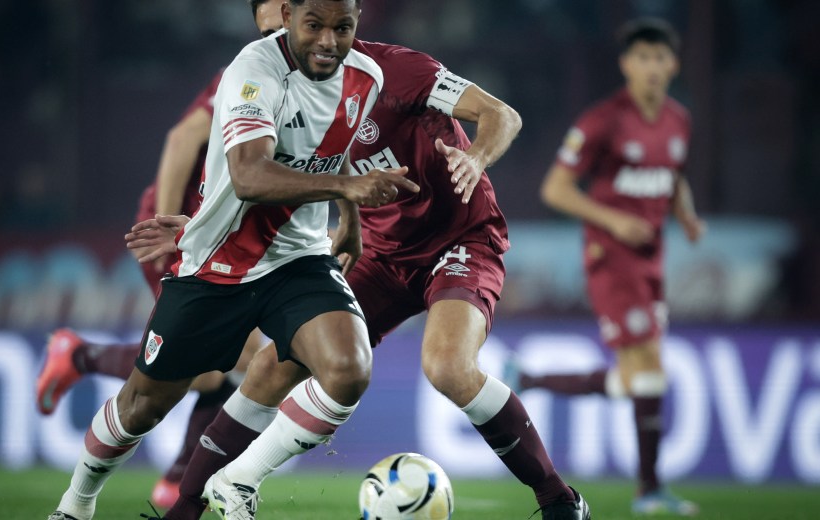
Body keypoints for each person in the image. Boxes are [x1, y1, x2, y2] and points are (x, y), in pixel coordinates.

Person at [127, 2, 590, 519]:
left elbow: (502, 114)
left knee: (448, 367)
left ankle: (559, 500)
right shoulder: (282, 93)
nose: (292, 46)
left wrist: (475, 157)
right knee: (273, 364)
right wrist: (346, 223)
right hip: (383, 253)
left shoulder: (400, 71)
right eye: (272, 37)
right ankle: (195, 503)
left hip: (459, 239)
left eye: (311, 30)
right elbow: (306, 172)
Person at [45, 1, 421, 518]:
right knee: (142, 406)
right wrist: (349, 188)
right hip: (218, 261)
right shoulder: (251, 70)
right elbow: (249, 176)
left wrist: (349, 219)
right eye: (315, 26)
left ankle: (238, 478)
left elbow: (339, 146)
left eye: (344, 27)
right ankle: (76, 503)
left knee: (349, 368)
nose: (330, 41)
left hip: (299, 257)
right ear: (289, 16)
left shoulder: (367, 76)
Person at [35, 3, 286, 509]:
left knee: (224, 364)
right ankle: (84, 362)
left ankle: (176, 477)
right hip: (183, 231)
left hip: (227, 236)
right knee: (226, 360)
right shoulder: (251, 71)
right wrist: (169, 226)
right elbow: (182, 138)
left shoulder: (324, 82)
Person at [506, 17, 704, 516]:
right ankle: (650, 491)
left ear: (673, 64)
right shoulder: (603, 120)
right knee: (649, 370)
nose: (652, 68)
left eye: (661, 58)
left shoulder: (679, 119)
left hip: (652, 258)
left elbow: (673, 175)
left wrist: (686, 213)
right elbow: (555, 189)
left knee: (638, 379)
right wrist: (614, 220)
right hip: (611, 259)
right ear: (626, 64)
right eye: (642, 58)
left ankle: (530, 380)